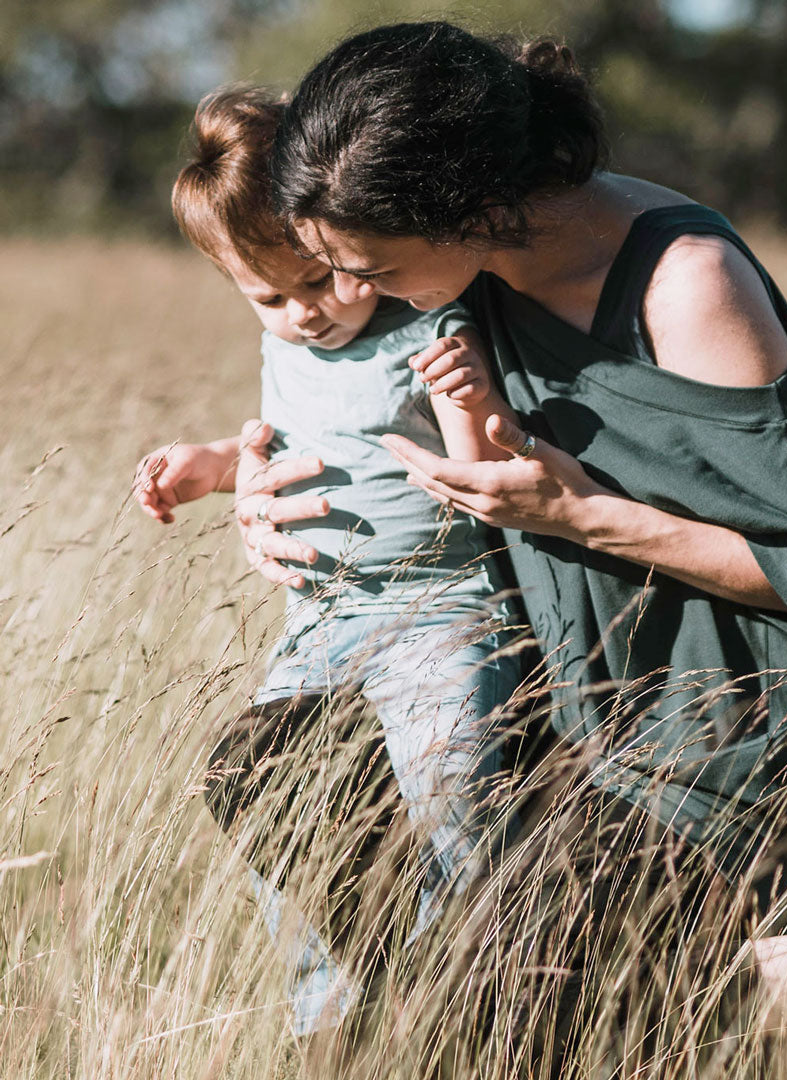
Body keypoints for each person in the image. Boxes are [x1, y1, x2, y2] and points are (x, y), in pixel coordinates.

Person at [216, 21, 787, 1079]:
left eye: (363, 263)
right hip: (535, 727)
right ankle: (498, 1006)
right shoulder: (459, 271)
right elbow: (351, 396)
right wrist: (257, 482)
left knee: (449, 1033)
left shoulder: (686, 284)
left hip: (696, 774)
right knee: (267, 767)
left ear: (465, 207)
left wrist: (584, 515)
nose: (342, 287)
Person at [135, 86, 526, 1036]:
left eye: (320, 281)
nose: (305, 313)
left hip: (442, 607)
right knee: (291, 810)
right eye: (269, 297)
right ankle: (331, 1010)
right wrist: (213, 468)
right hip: (317, 619)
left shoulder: (426, 325)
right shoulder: (289, 348)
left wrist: (469, 400)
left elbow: (482, 479)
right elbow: (294, 448)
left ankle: (450, 989)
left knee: (452, 789)